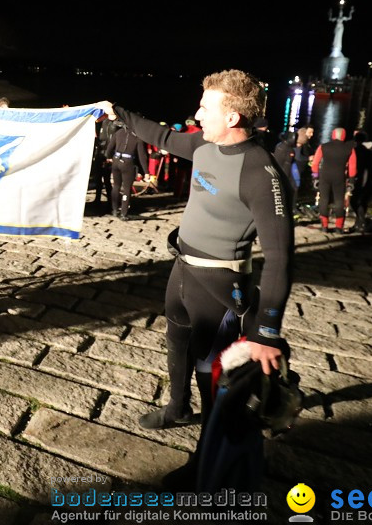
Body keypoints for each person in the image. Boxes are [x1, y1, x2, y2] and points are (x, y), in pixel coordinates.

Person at [100, 69, 294, 480]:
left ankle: (201, 464)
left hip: (220, 289)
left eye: (206, 107)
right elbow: (163, 137)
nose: (196, 113)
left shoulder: (262, 173)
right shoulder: (205, 145)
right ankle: (176, 408)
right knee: (176, 342)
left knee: (212, 380)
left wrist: (267, 333)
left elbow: (279, 258)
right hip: (183, 269)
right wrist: (118, 112)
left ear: (233, 118)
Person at [310, 127, 357, 232]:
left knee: (324, 200)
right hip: (339, 177)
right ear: (344, 136)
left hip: (324, 176)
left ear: (333, 135)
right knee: (339, 201)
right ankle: (339, 227)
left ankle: (324, 226)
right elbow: (352, 168)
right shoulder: (350, 149)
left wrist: (315, 177)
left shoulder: (323, 147)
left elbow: (315, 163)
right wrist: (351, 181)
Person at [105, 121, 147, 219]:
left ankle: (114, 209)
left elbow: (109, 148)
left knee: (116, 186)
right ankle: (124, 213)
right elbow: (142, 156)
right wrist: (146, 172)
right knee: (127, 188)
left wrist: (109, 157)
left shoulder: (118, 133)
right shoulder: (137, 137)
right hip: (128, 163)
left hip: (116, 161)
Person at [350, 130, 372, 232]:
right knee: (363, 202)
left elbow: (356, 167)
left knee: (355, 201)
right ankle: (359, 223)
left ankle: (361, 222)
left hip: (362, 180)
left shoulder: (357, 151)